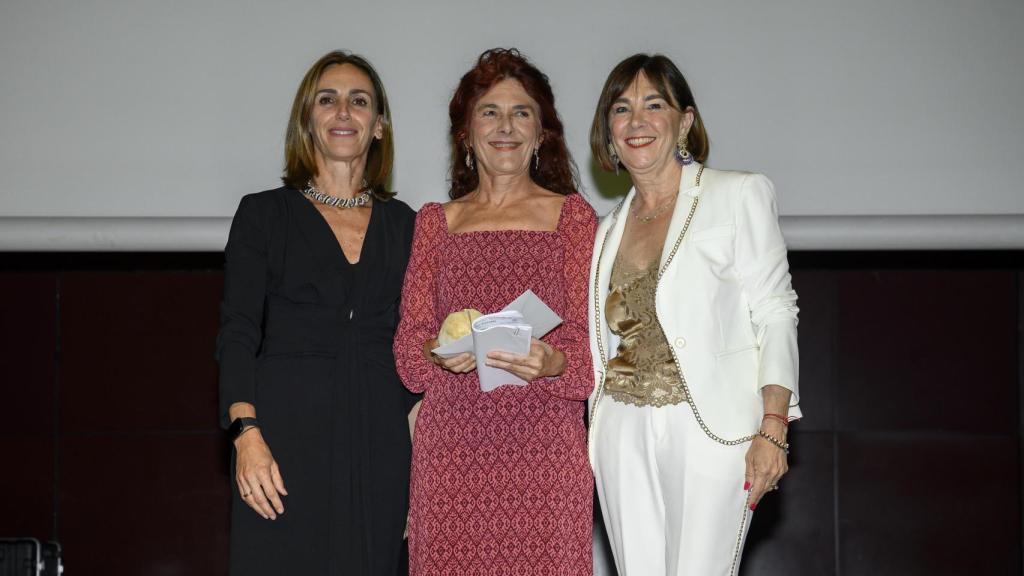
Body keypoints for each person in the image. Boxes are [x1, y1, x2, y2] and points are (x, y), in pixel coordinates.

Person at [586, 53, 802, 576]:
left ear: (684, 121)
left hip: (709, 427)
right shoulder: (604, 229)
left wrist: (773, 426)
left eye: (653, 104)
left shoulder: (737, 194)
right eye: (621, 108)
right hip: (621, 429)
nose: (636, 121)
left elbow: (776, 310)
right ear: (608, 133)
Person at [393, 48, 596, 575]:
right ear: (465, 132)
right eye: (489, 111)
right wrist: (440, 355)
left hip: (544, 455)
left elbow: (589, 357)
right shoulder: (435, 223)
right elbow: (408, 353)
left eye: (521, 113)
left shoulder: (573, 219)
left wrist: (550, 361)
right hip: (452, 456)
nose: (505, 126)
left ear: (541, 133)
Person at [216, 50, 418, 576]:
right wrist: (247, 436)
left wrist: (421, 474)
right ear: (308, 120)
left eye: (359, 101)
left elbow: (418, 359)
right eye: (327, 100)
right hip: (281, 443)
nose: (344, 112)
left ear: (379, 125)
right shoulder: (263, 214)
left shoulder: (409, 227)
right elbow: (238, 330)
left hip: (380, 444)